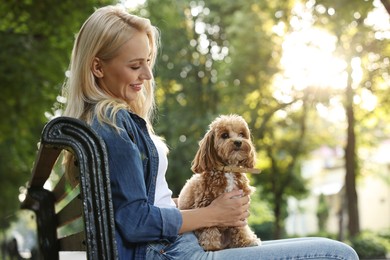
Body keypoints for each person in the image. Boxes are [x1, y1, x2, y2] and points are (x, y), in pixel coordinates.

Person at [62, 5, 359, 260]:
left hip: (178, 246)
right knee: (338, 255)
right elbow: (136, 222)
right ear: (98, 67)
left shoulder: (108, 121)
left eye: (148, 63)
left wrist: (191, 204)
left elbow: (137, 204)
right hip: (175, 252)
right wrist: (213, 214)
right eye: (135, 65)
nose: (148, 75)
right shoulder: (112, 124)